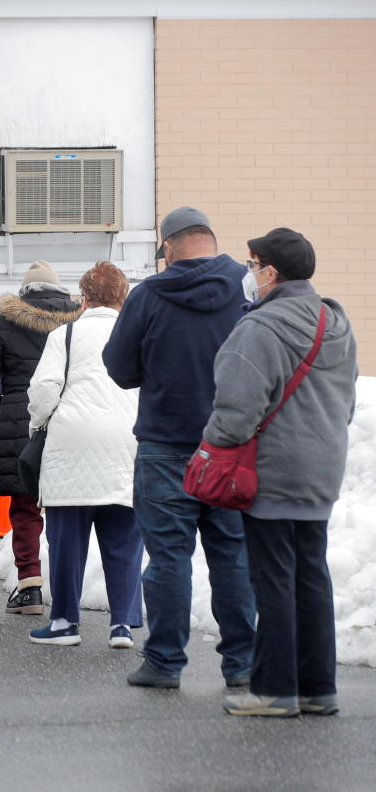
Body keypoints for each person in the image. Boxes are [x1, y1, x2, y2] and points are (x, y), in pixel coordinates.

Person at [103, 206, 256, 690]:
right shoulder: (246, 287)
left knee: (168, 557)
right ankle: (243, 664)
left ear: (166, 246)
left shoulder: (148, 294)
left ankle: (165, 663)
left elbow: (120, 368)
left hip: (166, 447)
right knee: (232, 556)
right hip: (230, 447)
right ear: (211, 238)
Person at [205, 229, 357, 716]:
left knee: (272, 580)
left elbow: (235, 411)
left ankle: (274, 690)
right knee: (312, 575)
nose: (249, 274)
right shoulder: (335, 322)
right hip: (322, 468)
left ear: (271, 272)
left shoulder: (260, 328)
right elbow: (347, 402)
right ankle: (318, 688)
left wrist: (215, 449)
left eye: (253, 265)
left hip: (271, 471)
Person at [26, 262, 143, 648]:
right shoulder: (138, 335)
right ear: (123, 297)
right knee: (124, 540)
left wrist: (38, 425)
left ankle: (64, 623)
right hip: (126, 444)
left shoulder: (67, 334)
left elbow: (44, 390)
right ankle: (122, 625)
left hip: (72, 445)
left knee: (67, 542)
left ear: (85, 297)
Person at [0, 260, 81, 615]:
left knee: (25, 507)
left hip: (18, 420)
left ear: (25, 292)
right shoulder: (79, 321)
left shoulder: (7, 321)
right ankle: (67, 587)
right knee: (62, 508)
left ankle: (29, 587)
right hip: (69, 418)